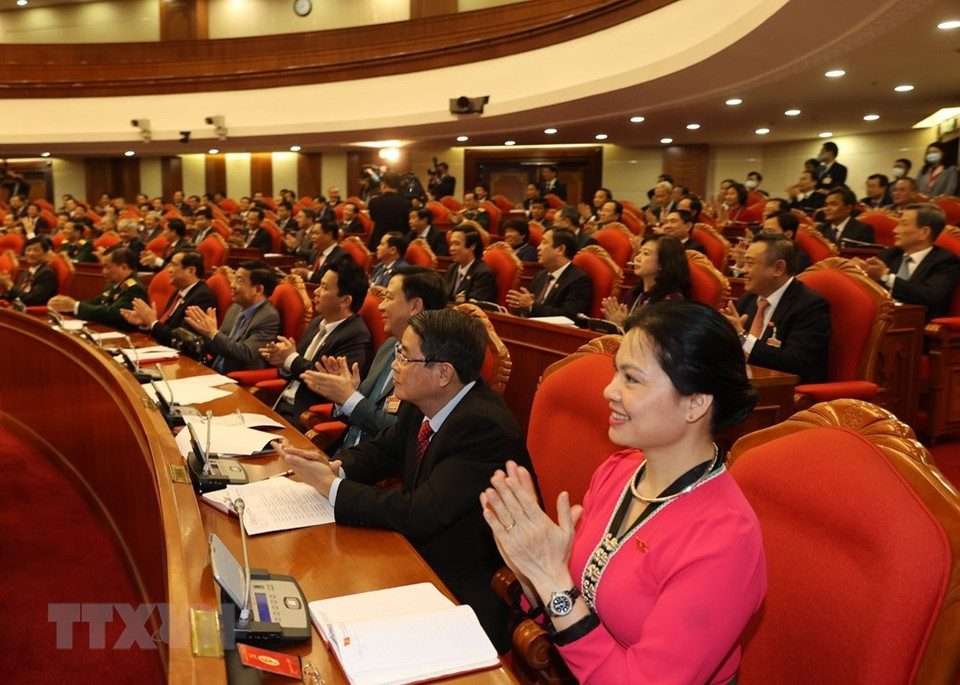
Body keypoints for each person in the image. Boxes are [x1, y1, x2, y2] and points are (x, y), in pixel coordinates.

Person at [480, 300, 766, 683]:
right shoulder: (619, 471)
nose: (609, 390)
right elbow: (572, 611)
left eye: (631, 379)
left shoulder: (725, 537)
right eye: (616, 372)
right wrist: (529, 564)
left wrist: (551, 579)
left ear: (696, 403)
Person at [277, 308, 533, 651]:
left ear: (443, 373)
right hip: (412, 552)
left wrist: (331, 488)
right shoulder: (423, 402)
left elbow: (421, 512)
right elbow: (381, 452)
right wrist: (334, 467)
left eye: (404, 356)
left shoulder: (484, 428)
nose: (395, 365)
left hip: (458, 585)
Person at [300, 266, 447, 449]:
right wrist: (346, 392)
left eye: (389, 298)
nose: (380, 306)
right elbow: (363, 411)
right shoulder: (388, 346)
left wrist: (350, 398)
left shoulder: (429, 364)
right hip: (347, 451)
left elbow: (402, 433)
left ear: (415, 306)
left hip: (378, 462)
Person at [263, 257, 372, 426]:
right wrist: (282, 359)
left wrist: (290, 359)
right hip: (280, 405)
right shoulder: (318, 322)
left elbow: (330, 383)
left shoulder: (356, 335)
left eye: (325, 287)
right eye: (319, 285)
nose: (316, 291)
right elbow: (300, 366)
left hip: (306, 417)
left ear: (345, 300)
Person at [722, 234, 831, 383]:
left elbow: (796, 363)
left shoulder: (810, 306)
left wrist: (742, 337)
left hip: (782, 390)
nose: (743, 270)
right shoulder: (747, 299)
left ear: (778, 268)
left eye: (750, 263)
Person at [853, 203, 960, 321]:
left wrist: (886, 277)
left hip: (917, 324)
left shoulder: (945, 261)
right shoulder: (889, 255)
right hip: (881, 319)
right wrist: (859, 273)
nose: (895, 230)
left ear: (924, 232)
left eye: (903, 224)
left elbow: (929, 296)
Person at [183, 260, 281, 374]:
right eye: (234, 279)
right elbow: (219, 346)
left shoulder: (268, 317)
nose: (232, 285)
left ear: (258, 290)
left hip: (238, 377)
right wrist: (205, 333)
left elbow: (246, 354)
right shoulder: (235, 307)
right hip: (213, 370)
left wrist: (213, 334)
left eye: (239, 281)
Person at [120, 250, 217, 346]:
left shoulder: (202, 297)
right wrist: (146, 324)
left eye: (174, 265)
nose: (169, 270)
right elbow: (166, 328)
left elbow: (183, 339)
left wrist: (153, 322)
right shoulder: (179, 292)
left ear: (190, 271)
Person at [48, 246, 147, 331]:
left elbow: (111, 313)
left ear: (123, 267)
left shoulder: (134, 288)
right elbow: (95, 303)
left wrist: (75, 306)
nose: (103, 272)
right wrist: (69, 307)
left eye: (107, 267)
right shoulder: (113, 285)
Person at [601, 234, 690, 327]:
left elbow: (654, 335)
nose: (637, 258)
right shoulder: (634, 294)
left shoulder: (671, 302)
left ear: (663, 263)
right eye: (639, 252)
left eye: (646, 254)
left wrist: (623, 324)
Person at [505, 227, 592, 320]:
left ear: (560, 249)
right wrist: (522, 306)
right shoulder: (540, 276)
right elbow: (530, 308)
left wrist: (531, 306)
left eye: (544, 242)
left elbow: (568, 315)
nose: (538, 248)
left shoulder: (578, 280)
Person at [444, 226, 497, 303]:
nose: (451, 248)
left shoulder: (483, 274)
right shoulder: (452, 268)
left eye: (457, 244)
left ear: (472, 246)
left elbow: (473, 306)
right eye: (451, 244)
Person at [0, 236, 58, 306]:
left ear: (46, 253)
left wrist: (9, 284)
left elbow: (32, 299)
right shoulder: (27, 272)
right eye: (28, 250)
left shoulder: (46, 273)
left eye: (36, 250)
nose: (31, 254)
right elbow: (18, 295)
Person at [366, 171, 413, 251]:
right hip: (400, 243)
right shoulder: (407, 203)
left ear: (384, 184)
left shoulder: (374, 202)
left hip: (379, 242)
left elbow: (373, 218)